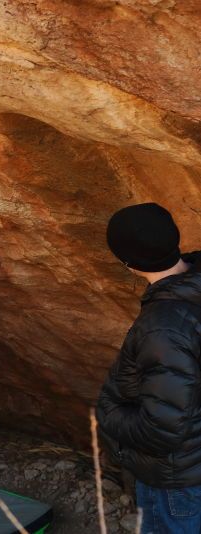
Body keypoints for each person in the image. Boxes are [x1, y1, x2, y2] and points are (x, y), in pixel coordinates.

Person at [96, 203, 201, 533]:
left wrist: (109, 415)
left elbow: (162, 428)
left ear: (129, 264)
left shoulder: (163, 328)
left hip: (176, 476)